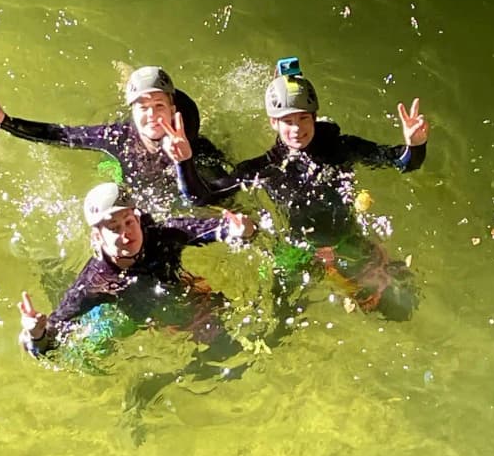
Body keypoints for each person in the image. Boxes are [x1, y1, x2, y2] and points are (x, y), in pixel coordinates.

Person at [166, 58, 428, 320]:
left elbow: (400, 162)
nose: (296, 129)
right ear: (273, 123)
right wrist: (184, 162)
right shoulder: (265, 169)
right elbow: (200, 197)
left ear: (315, 117)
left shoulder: (341, 148)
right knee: (282, 311)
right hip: (297, 249)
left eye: (303, 118)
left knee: (395, 303)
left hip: (346, 239)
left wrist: (414, 145)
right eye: (287, 121)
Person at [18, 180, 255, 359]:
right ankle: (45, 265)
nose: (126, 233)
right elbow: (48, 344)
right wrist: (36, 335)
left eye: (129, 222)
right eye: (113, 228)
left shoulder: (164, 235)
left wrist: (241, 231)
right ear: (97, 236)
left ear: (138, 219)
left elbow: (220, 229)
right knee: (95, 349)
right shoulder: (95, 280)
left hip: (176, 295)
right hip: (133, 314)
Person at [0, 65, 226, 213]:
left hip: (177, 187)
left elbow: (207, 202)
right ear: (133, 112)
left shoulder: (199, 148)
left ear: (173, 110)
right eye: (142, 107)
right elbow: (63, 135)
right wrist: (6, 122)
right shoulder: (117, 137)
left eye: (159, 105)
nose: (151, 115)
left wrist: (186, 161)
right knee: (106, 172)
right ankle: (126, 78)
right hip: (131, 186)